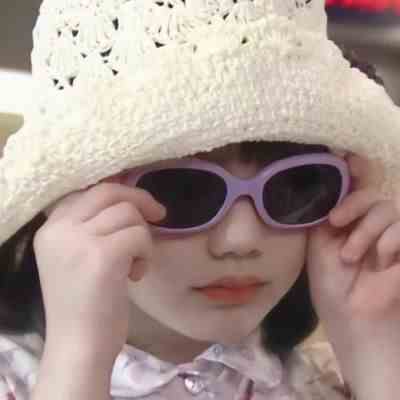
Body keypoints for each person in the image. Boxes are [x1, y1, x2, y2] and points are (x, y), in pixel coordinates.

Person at [0, 0, 400, 399]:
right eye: (184, 191)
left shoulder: (334, 382)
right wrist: (78, 361)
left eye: (294, 186)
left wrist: (373, 355)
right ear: (66, 201)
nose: (242, 240)